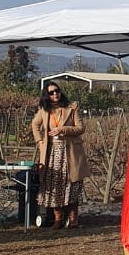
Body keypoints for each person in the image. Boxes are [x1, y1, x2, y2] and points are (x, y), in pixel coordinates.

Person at [31, 83, 90, 228]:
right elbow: (35, 125)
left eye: (57, 91)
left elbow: (80, 128)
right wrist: (40, 141)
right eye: (51, 93)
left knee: (72, 184)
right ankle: (58, 218)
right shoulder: (44, 110)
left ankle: (73, 218)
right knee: (53, 184)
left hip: (70, 152)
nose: (55, 94)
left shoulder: (72, 107)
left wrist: (63, 129)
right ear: (47, 95)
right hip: (51, 153)